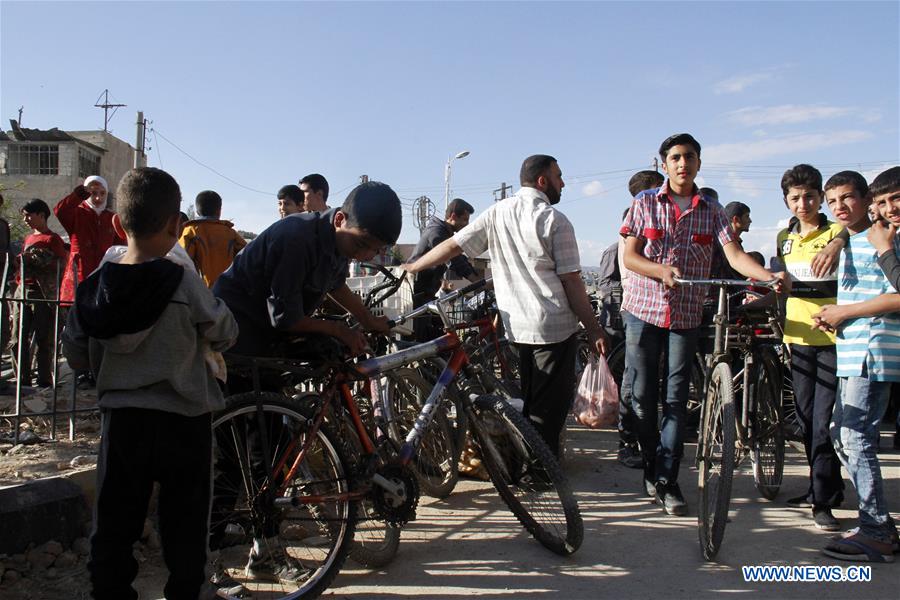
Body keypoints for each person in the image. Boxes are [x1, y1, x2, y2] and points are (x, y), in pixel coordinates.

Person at [61, 167, 238, 600]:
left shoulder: (94, 287)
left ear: (119, 224)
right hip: (185, 421)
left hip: (123, 422)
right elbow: (224, 329)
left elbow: (76, 350)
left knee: (114, 528)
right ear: (176, 224)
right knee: (185, 529)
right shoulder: (182, 281)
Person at [620, 133, 786, 516]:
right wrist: (658, 270)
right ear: (665, 164)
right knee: (643, 399)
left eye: (689, 157)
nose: (682, 163)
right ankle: (650, 465)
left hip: (687, 315)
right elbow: (629, 257)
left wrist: (765, 276)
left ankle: (667, 479)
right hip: (643, 311)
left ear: (698, 163)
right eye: (675, 157)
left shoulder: (712, 210)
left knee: (677, 399)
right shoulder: (644, 203)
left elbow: (734, 253)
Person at [404, 154, 608, 454]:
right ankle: (541, 469)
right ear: (542, 180)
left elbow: (452, 245)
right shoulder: (555, 220)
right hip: (553, 328)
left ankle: (529, 460)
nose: (563, 183)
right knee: (549, 408)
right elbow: (573, 282)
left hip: (517, 328)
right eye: (559, 176)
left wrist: (414, 266)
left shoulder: (497, 213)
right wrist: (593, 328)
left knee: (529, 399)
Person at [812, 168, 900, 562]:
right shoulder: (855, 237)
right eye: (832, 202)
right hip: (853, 348)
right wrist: (834, 314)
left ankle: (877, 531)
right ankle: (876, 520)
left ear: (863, 199)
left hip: (874, 348)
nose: (839, 207)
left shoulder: (888, 238)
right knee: (842, 433)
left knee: (856, 437)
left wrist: (844, 312)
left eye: (847, 197)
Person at [214, 181, 400, 359]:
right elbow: (285, 318)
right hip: (234, 327)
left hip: (267, 325)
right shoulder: (297, 240)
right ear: (339, 220)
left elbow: (335, 285)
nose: (365, 256)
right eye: (361, 244)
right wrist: (338, 330)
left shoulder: (341, 239)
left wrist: (369, 320)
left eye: (375, 250)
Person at [775, 164, 844, 531]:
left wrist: (837, 241)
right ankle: (825, 487)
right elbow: (782, 282)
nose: (803, 203)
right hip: (797, 339)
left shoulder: (838, 231)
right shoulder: (784, 238)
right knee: (803, 419)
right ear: (787, 200)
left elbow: (851, 229)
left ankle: (823, 502)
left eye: (809, 196)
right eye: (795, 197)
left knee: (822, 423)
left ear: (820, 197)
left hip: (833, 340)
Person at [613, 170, 665, 469]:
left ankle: (645, 440)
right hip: (639, 307)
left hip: (660, 307)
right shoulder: (636, 218)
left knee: (648, 380)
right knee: (635, 380)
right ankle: (628, 442)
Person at [9, 199, 67, 388]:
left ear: (41, 215)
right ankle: (22, 380)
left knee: (44, 339)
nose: (26, 219)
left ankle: (44, 381)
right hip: (22, 291)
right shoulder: (28, 238)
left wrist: (40, 260)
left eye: (29, 215)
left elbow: (61, 264)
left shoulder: (53, 240)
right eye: (24, 215)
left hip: (42, 293)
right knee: (18, 338)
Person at [408, 197, 479, 341]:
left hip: (425, 294)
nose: (467, 224)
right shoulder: (437, 232)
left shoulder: (444, 233)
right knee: (422, 340)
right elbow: (454, 259)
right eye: (464, 220)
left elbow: (459, 257)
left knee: (441, 331)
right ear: (453, 216)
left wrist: (477, 278)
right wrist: (476, 281)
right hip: (416, 293)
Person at [54, 175, 125, 305]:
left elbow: (120, 247)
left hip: (103, 275)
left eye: (102, 193)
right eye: (93, 193)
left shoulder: (112, 218)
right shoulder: (77, 213)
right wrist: (79, 194)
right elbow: (61, 211)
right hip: (79, 273)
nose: (98, 198)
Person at [178, 190, 247, 287]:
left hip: (201, 291)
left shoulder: (191, 231)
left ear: (197, 211)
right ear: (219, 211)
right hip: (228, 289)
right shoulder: (230, 233)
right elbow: (248, 256)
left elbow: (181, 260)